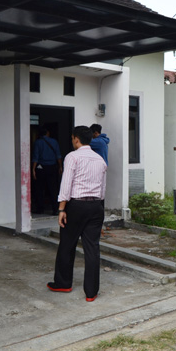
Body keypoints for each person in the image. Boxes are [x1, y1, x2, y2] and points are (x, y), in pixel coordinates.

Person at [47, 126, 107, 302]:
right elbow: (103, 190)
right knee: (92, 248)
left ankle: (63, 283)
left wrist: (61, 209)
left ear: (76, 139)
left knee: (67, 244)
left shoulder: (72, 157)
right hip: (96, 206)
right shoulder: (100, 160)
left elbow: (66, 185)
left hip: (76, 206)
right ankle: (91, 292)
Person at [32, 125, 62, 215]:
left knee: (40, 189)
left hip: (41, 168)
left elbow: (35, 157)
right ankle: (55, 209)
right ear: (47, 133)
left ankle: (40, 209)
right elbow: (58, 156)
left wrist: (33, 169)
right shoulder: (54, 142)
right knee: (53, 189)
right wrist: (60, 166)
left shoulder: (37, 142)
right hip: (52, 167)